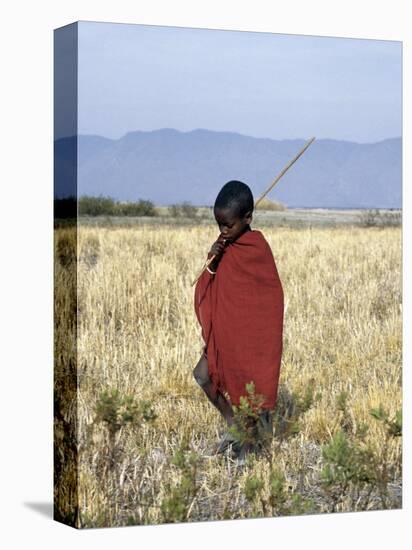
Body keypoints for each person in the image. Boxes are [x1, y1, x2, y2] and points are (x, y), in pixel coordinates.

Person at [193, 180, 284, 464]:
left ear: (247, 218)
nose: (223, 230)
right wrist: (213, 256)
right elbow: (209, 284)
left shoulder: (257, 248)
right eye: (218, 224)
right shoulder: (224, 245)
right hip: (225, 335)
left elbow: (268, 299)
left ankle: (247, 445)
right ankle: (233, 427)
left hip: (250, 341)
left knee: (249, 393)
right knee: (203, 376)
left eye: (228, 225)